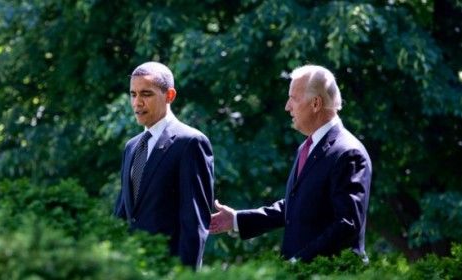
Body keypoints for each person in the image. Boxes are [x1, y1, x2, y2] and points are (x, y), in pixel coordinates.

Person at [210, 64, 372, 263]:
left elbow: (347, 224)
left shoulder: (348, 152)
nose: (287, 106)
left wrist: (298, 262)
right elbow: (297, 207)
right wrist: (236, 219)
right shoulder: (308, 146)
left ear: (316, 103)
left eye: (293, 98)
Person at [114, 61, 214, 268]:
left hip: (167, 269)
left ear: (170, 95)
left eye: (146, 94)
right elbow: (122, 214)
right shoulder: (131, 147)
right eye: (133, 94)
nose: (137, 103)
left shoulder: (190, 143)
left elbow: (194, 222)